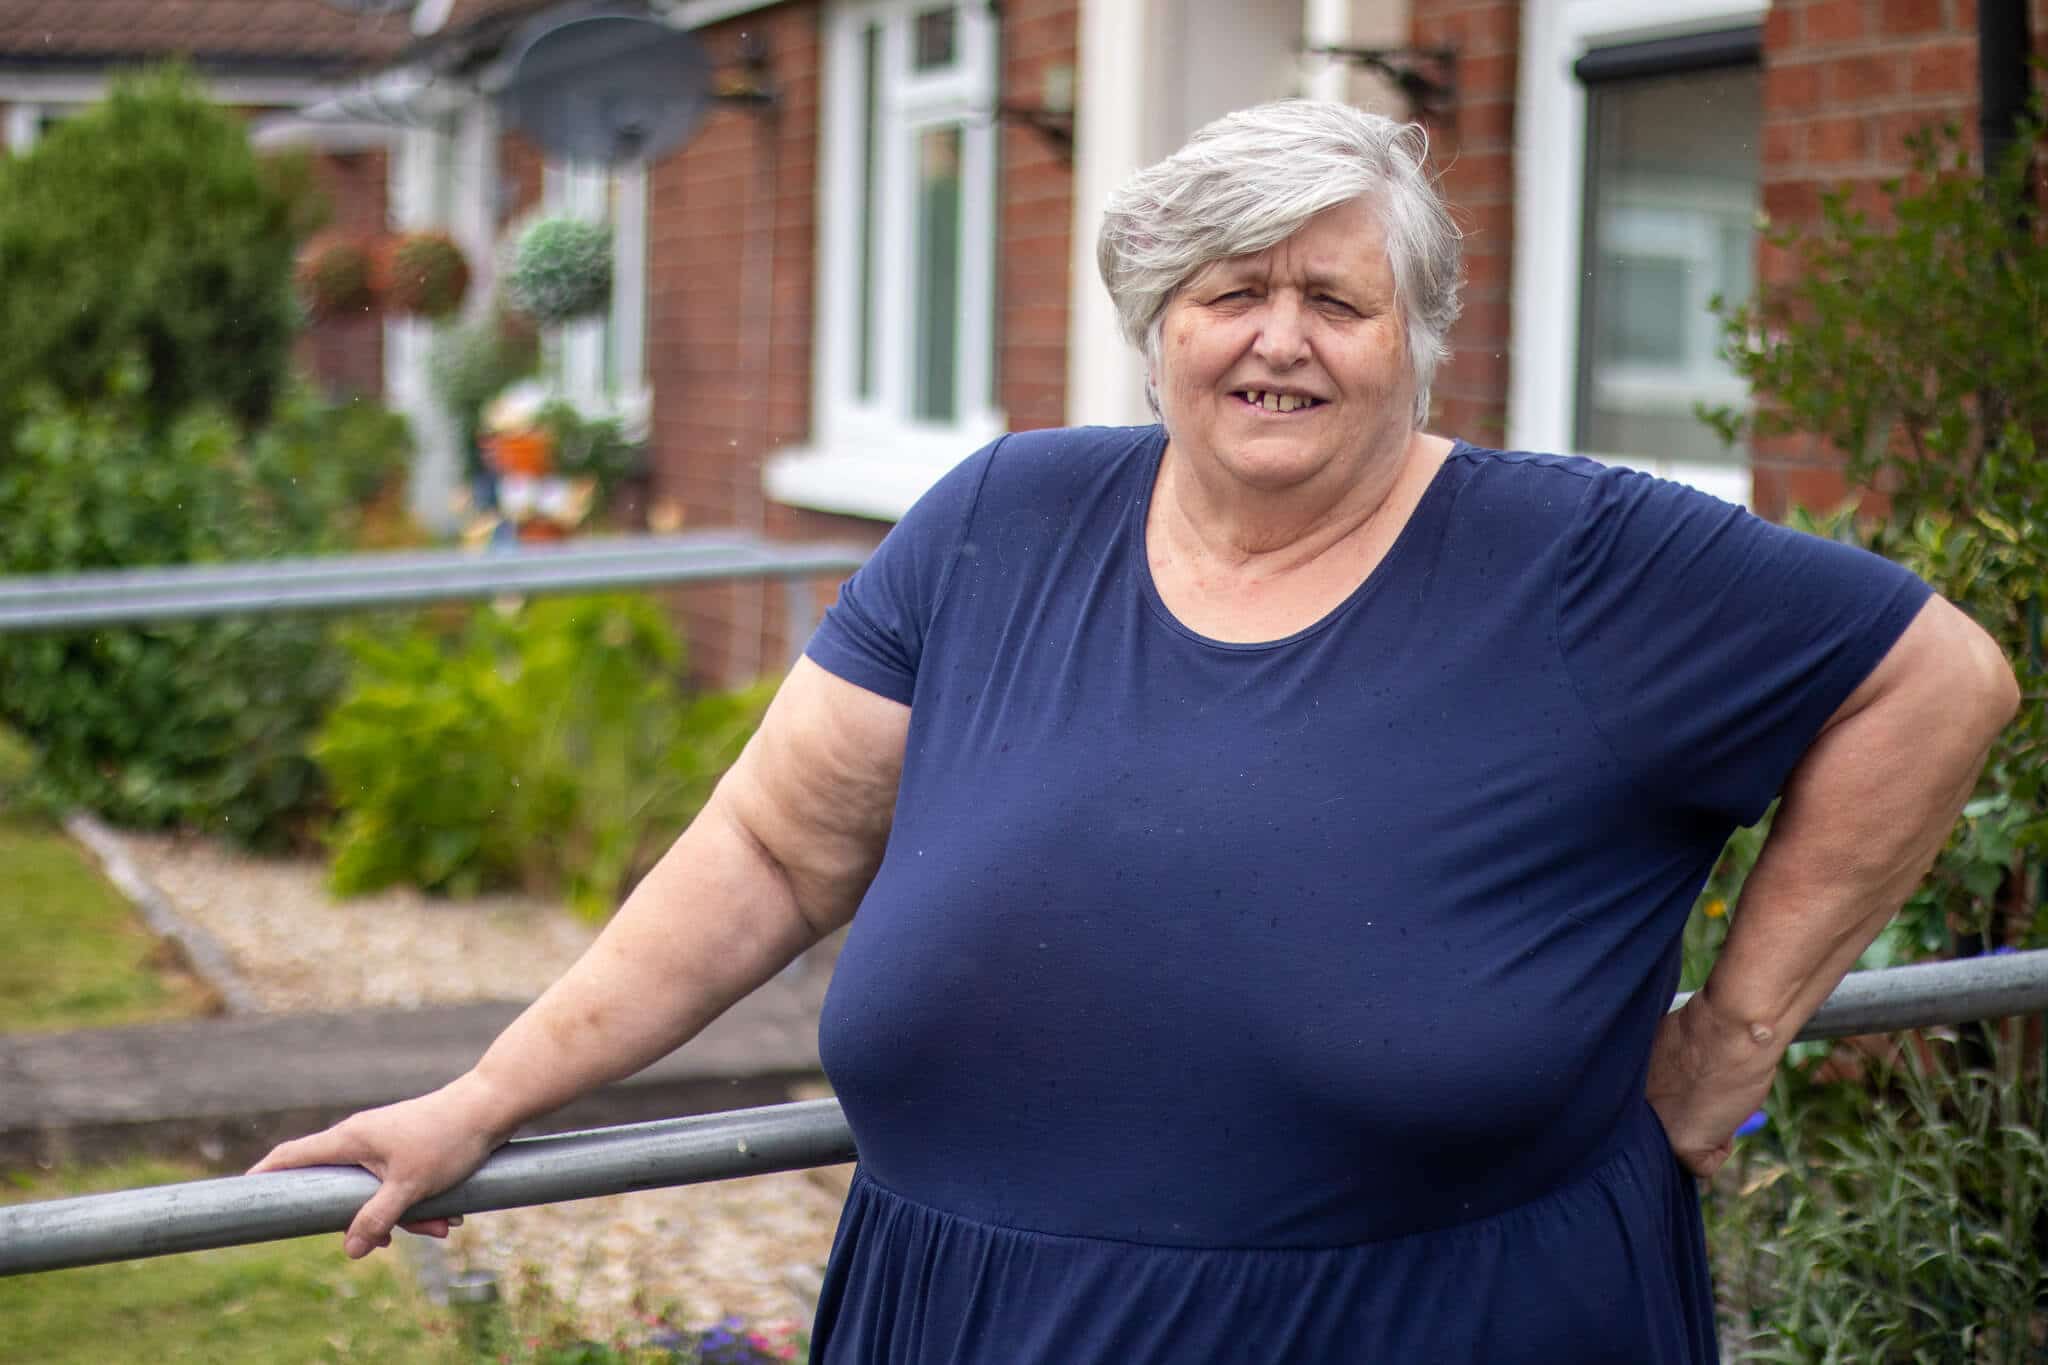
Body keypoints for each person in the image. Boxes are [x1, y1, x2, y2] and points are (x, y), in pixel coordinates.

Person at [254, 100, 2017, 1362]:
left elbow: (1937, 679)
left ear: (1420, 341)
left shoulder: (1578, 558)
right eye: (1226, 295)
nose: (1278, 342)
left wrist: (1739, 1036)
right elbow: (773, 852)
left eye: (1337, 299)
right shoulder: (1001, 519)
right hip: (962, 1307)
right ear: (1152, 326)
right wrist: (484, 1096)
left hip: (1429, 1314)